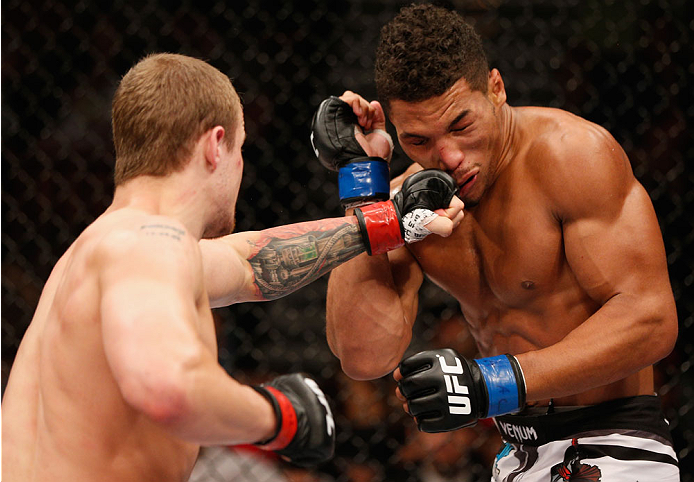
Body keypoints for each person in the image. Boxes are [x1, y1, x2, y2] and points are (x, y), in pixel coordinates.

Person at [0, 53, 464, 482]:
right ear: (215, 145)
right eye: (242, 150)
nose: (241, 168)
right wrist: (280, 415)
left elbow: (251, 262)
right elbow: (167, 386)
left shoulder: (107, 248)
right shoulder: (147, 243)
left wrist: (383, 215)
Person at [319, 4, 680, 480]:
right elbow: (363, 356)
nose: (447, 157)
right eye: (419, 140)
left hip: (611, 445)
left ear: (496, 87)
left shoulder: (569, 156)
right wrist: (363, 190)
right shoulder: (413, 201)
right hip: (515, 455)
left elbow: (651, 320)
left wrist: (494, 383)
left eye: (461, 126)